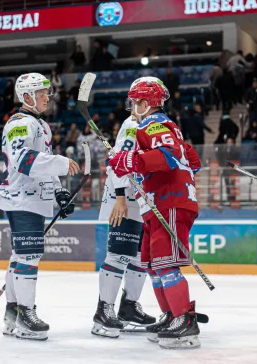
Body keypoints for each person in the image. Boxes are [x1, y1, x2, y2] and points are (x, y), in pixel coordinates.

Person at [108, 77, 203, 349]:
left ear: (146, 103)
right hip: (157, 202)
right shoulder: (158, 127)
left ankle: (184, 320)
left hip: (169, 202)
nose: (132, 107)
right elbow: (192, 161)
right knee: (153, 264)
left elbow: (170, 155)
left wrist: (133, 161)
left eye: (135, 101)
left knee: (165, 263)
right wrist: (136, 165)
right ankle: (171, 314)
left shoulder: (155, 124)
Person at [0, 73, 80, 341]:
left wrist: (59, 192)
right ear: (27, 96)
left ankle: (13, 312)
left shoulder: (41, 125)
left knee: (22, 255)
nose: (48, 96)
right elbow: (23, 159)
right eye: (42, 92)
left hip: (34, 199)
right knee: (29, 256)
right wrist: (60, 162)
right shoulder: (19, 123)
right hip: (22, 198)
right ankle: (25, 313)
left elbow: (41, 166)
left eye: (47, 91)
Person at [92, 103, 156, 338]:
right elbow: (117, 164)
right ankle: (103, 312)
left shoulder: (148, 126)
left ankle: (128, 308)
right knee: (119, 255)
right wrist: (119, 197)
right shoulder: (132, 126)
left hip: (140, 200)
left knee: (140, 257)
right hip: (125, 200)